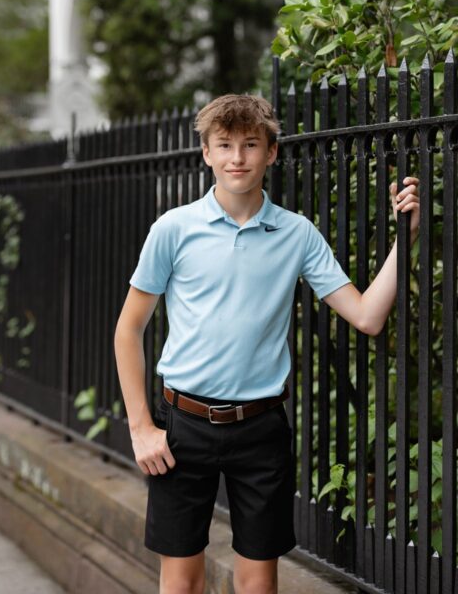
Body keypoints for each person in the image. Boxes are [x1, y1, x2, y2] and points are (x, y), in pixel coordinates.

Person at [113, 94, 419, 594]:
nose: (238, 157)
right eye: (225, 145)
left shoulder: (296, 234)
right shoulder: (174, 229)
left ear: (271, 153)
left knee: (258, 584)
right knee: (181, 583)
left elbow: (366, 316)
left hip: (260, 430)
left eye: (251, 144)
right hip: (181, 429)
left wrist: (405, 236)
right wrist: (142, 427)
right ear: (206, 153)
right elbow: (129, 328)